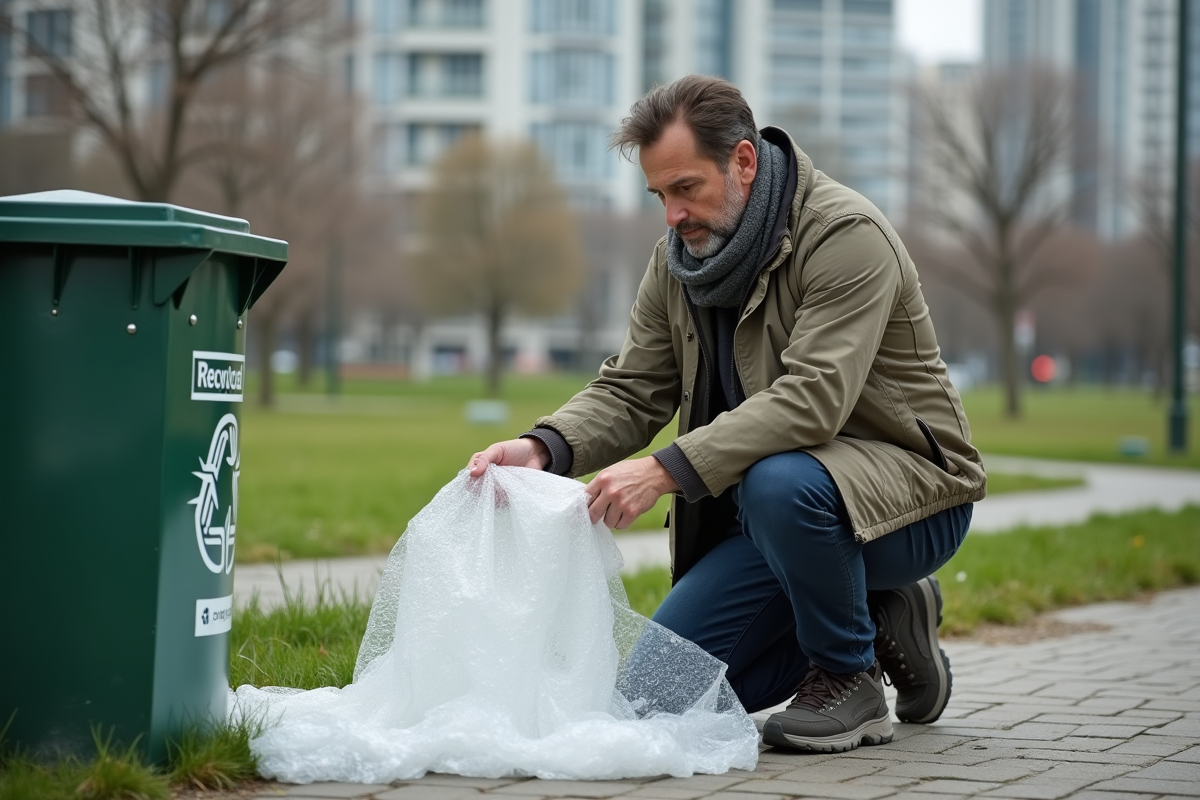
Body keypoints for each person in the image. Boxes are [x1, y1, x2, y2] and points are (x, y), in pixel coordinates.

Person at [467, 74, 986, 753]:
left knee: (780, 482)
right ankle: (877, 605)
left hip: (909, 499)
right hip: (780, 519)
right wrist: (543, 448)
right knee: (654, 701)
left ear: (743, 162)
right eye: (660, 195)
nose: (672, 215)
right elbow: (633, 388)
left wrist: (663, 470)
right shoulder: (677, 263)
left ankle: (849, 675)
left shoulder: (846, 235)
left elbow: (813, 399)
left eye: (687, 188)